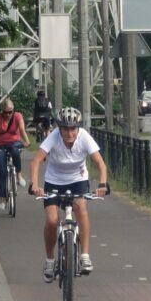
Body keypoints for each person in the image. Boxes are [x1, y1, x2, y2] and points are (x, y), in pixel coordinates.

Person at [28, 107, 108, 279]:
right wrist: (34, 184)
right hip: (54, 181)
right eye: (65, 128)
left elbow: (100, 163)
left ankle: (85, 256)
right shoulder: (54, 137)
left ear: (78, 128)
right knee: (51, 220)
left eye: (73, 128)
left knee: (81, 211)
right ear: (60, 128)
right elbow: (36, 161)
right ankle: (50, 260)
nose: (69, 133)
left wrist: (102, 184)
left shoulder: (84, 137)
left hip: (78, 180)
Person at [0, 99, 31, 210]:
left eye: (10, 112)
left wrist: (27, 141)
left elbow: (22, 129)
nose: (8, 114)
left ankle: (18, 175)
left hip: (14, 142)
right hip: (0, 145)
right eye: (6, 112)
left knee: (15, 151)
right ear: (2, 111)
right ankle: (2, 199)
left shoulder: (17, 116)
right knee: (2, 171)